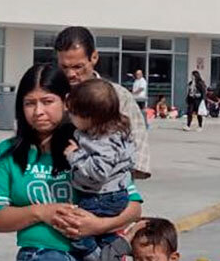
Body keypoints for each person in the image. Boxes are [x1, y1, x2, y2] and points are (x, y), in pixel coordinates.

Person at [0, 64, 142, 261]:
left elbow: (133, 206)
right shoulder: (8, 153)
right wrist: (41, 212)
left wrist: (98, 226)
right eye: (29, 103)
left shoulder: (92, 144)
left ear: (66, 102)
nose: (38, 112)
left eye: (48, 101)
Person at [54, 26, 150, 179]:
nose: (70, 74)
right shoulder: (52, 95)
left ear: (94, 57)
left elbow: (138, 151)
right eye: (64, 67)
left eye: (78, 67)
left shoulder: (118, 96)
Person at [64, 79, 136, 256]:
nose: (70, 116)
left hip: (101, 196)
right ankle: (112, 260)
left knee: (78, 233)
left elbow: (98, 172)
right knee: (106, 237)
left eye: (74, 113)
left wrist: (74, 155)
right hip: (115, 193)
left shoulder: (103, 141)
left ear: (90, 117)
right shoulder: (117, 131)